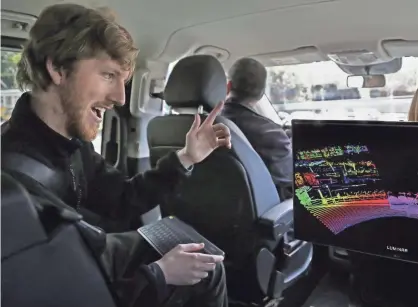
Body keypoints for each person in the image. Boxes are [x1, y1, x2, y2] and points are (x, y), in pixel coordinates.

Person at [1, 3, 231, 307]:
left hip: (97, 262)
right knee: (207, 271)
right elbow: (55, 284)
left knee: (204, 261)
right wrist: (158, 275)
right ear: (57, 68)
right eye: (108, 75)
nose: (120, 98)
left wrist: (187, 157)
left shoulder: (72, 145)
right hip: (85, 284)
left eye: (122, 81)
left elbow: (123, 199)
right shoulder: (12, 175)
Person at [221, 57, 293, 199]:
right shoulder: (270, 134)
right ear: (261, 93)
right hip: (262, 216)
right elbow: (289, 185)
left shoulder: (199, 128)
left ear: (228, 87)